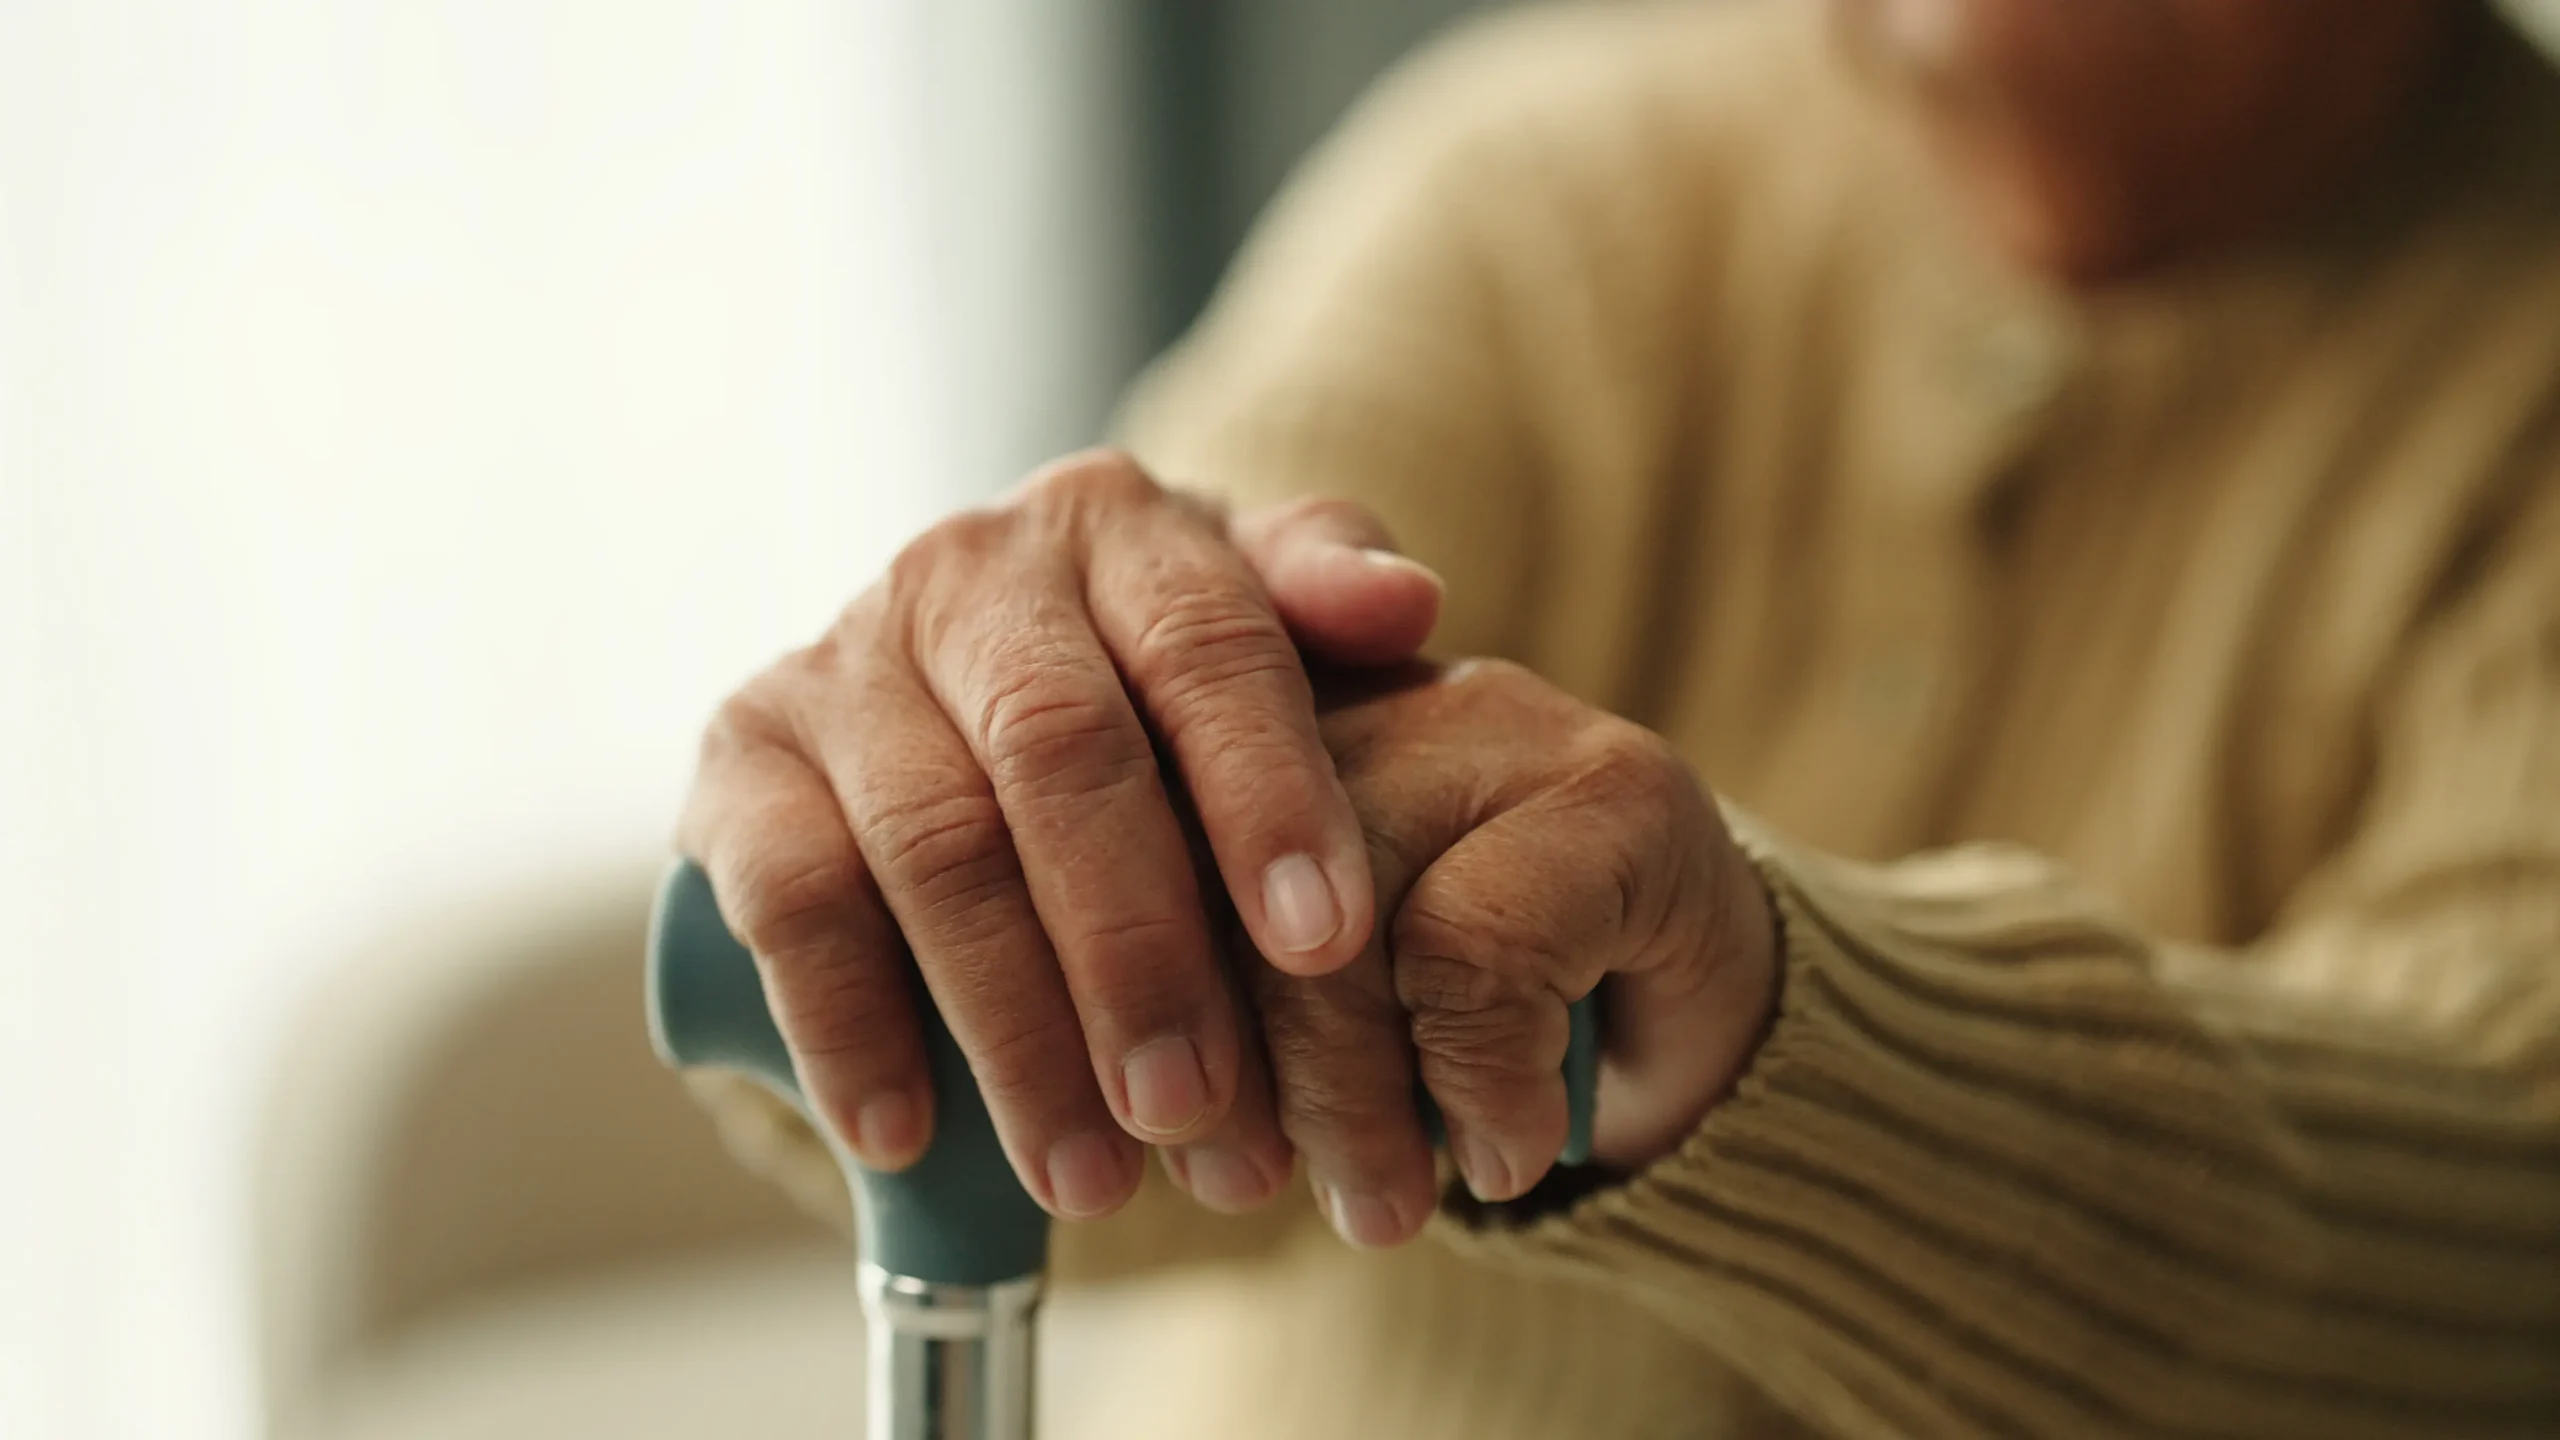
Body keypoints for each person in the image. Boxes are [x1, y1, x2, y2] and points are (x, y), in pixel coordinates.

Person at [676, 1, 2560, 1435]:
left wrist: (1756, 1036)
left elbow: (2489, 1247)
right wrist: (1017, 763)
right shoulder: (1545, 177)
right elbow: (1112, 1084)